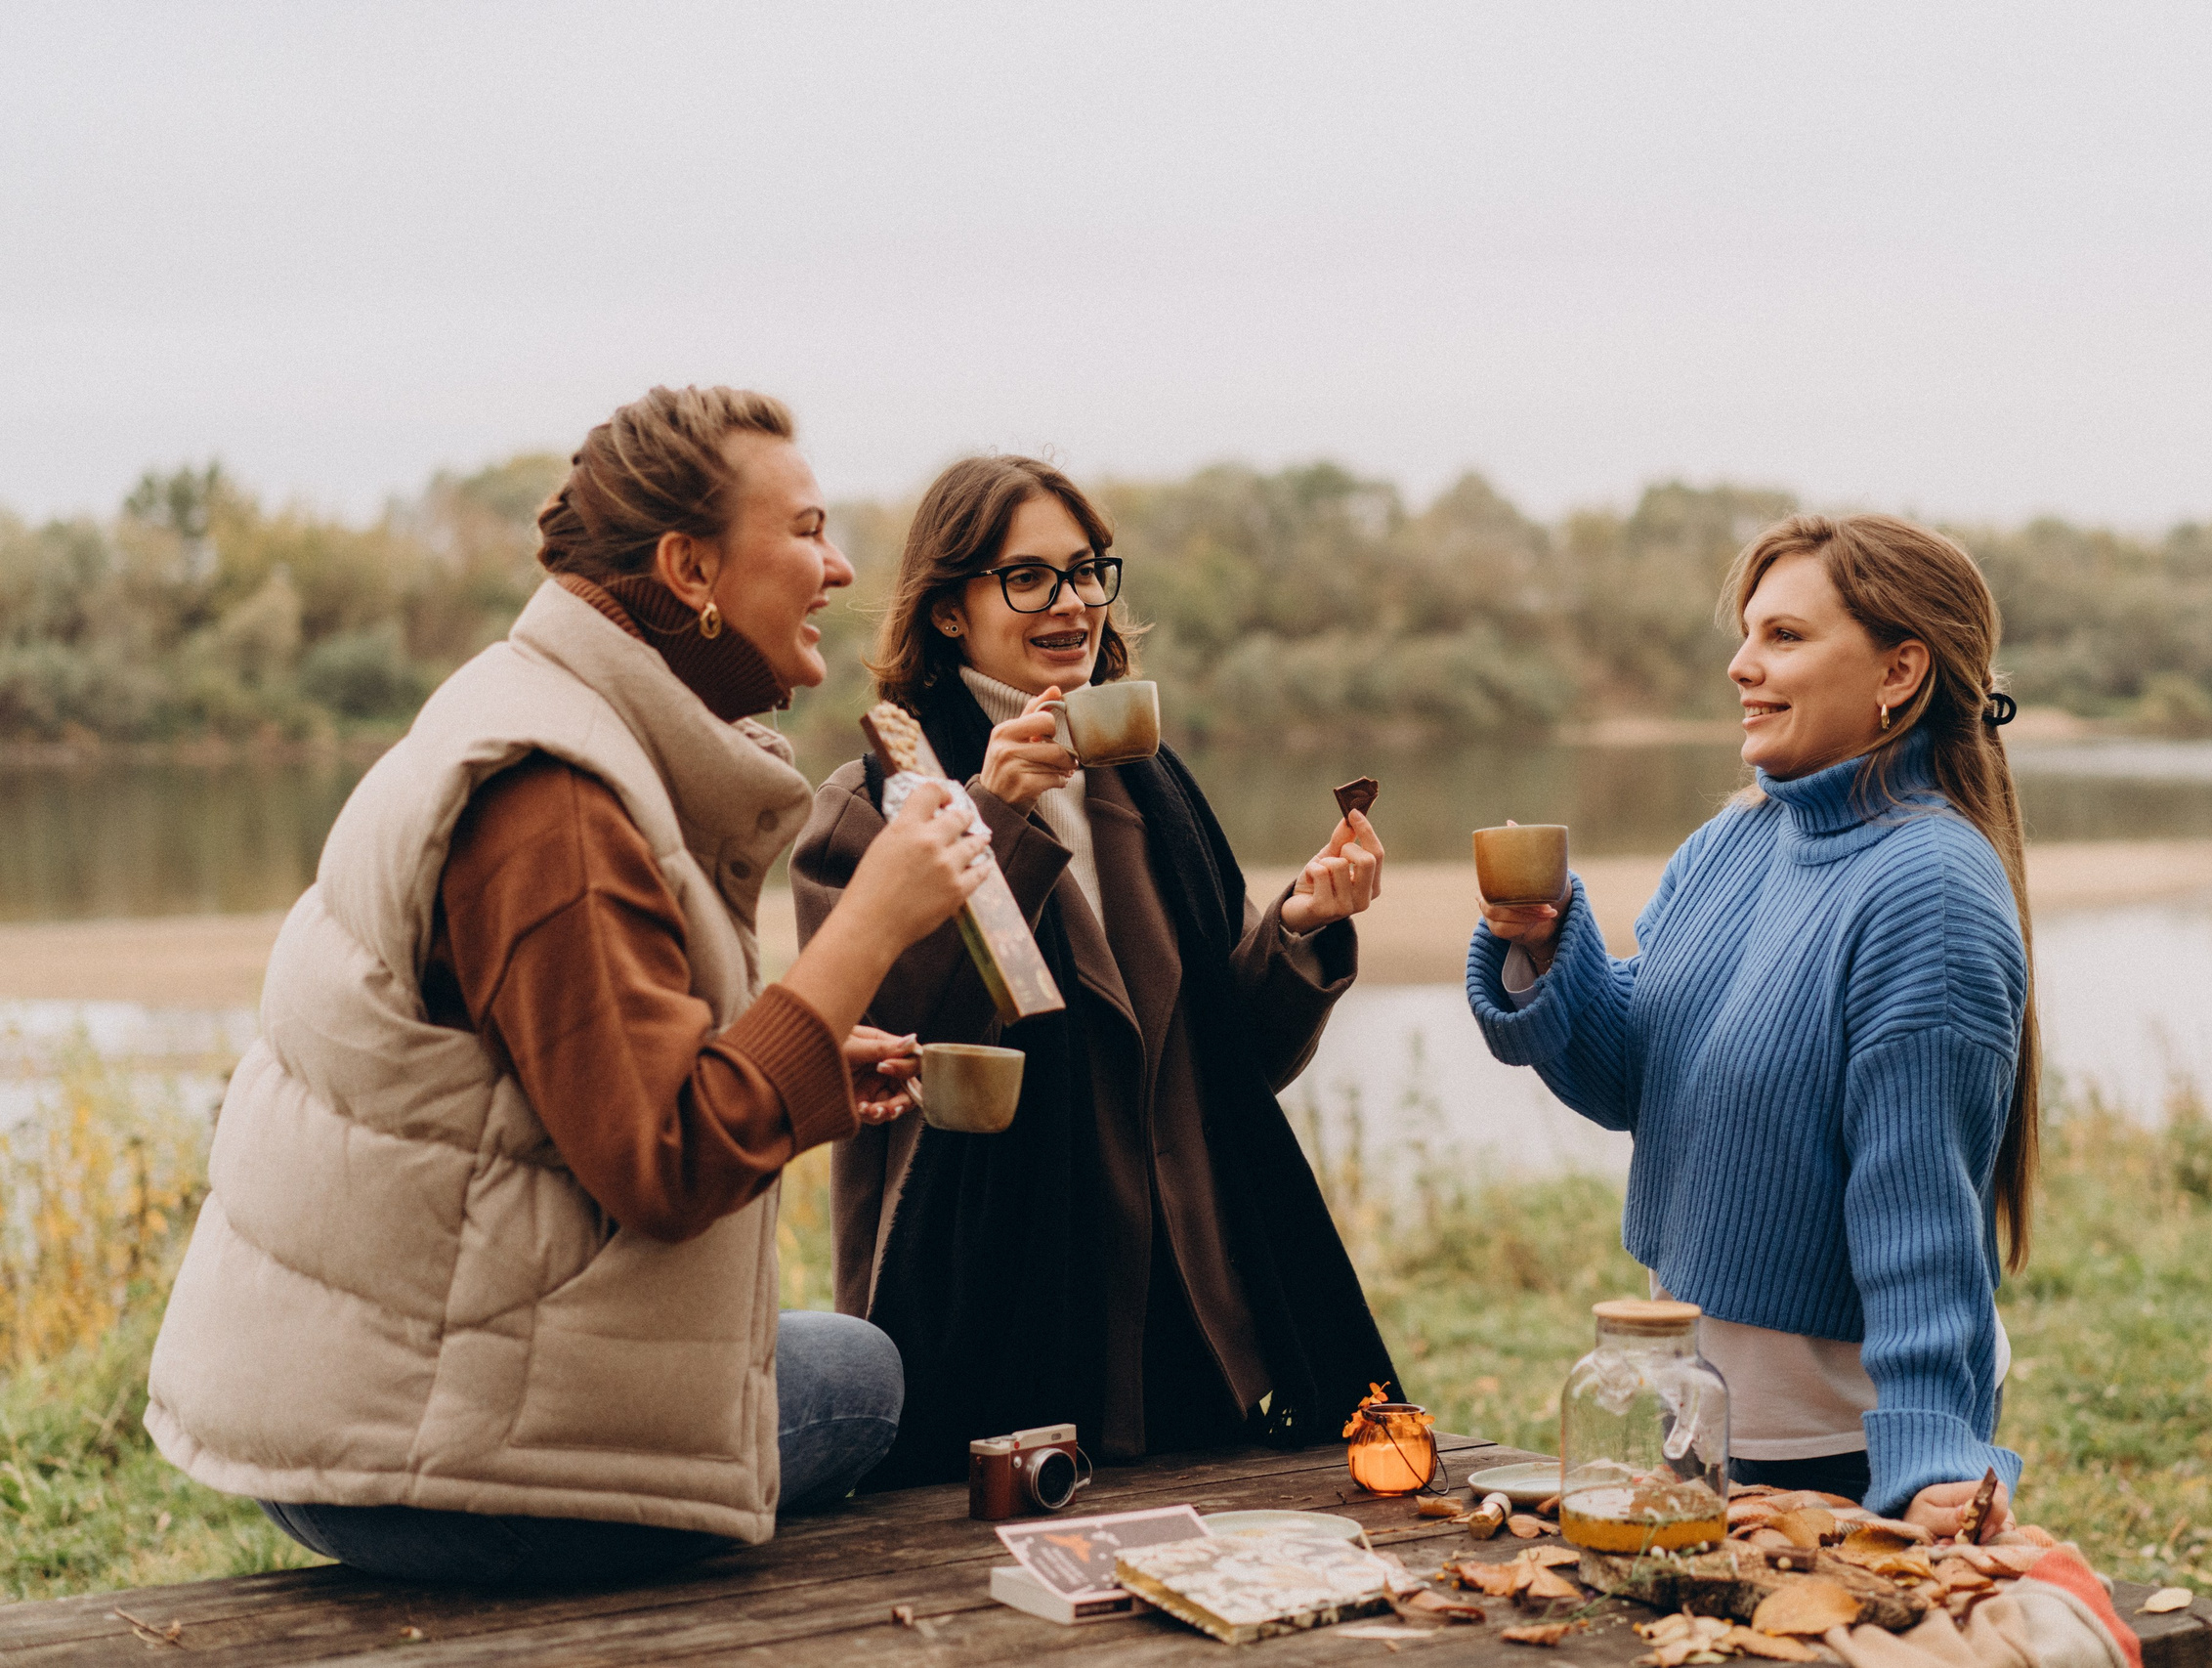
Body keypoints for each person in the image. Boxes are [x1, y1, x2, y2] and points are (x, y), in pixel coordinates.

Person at [145, 387, 995, 1584]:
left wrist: (797, 1065)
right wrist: (867, 926)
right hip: (422, 1470)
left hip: (366, 1410)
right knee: (862, 1379)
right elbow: (661, 1160)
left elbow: (572, 1085)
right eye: (805, 531)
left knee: (805, 1356)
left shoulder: (546, 713)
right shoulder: (555, 800)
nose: (840, 567)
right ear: (690, 567)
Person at [788, 454, 1398, 1485]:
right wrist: (996, 817)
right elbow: (876, 1040)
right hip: (987, 1329)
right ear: (948, 610)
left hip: (1189, 1334)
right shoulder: (875, 801)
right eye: (1027, 577)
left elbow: (1231, 1062)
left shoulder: (1150, 787)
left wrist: (1298, 928)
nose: (1069, 602)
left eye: (1084, 571)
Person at [1471, 513, 2033, 1536]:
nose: (1740, 666)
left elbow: (1921, 1218)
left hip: (1845, 1445)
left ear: (1897, 672)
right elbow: (1639, 1075)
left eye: (1782, 636)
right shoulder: (1734, 839)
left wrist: (1931, 1459)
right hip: (1701, 1404)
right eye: (1745, 635)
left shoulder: (1928, 887)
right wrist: (1546, 945)